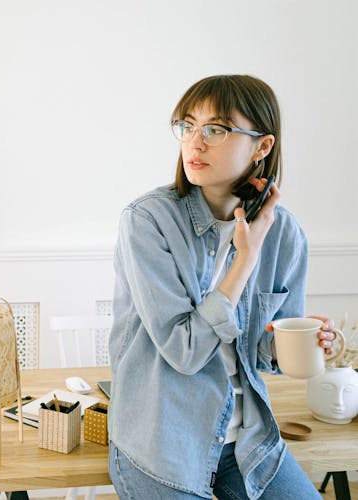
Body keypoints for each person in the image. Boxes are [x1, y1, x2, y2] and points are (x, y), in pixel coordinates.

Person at [107, 74, 338, 500]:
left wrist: (303, 343)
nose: (195, 142)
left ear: (262, 147)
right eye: (187, 126)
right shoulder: (147, 221)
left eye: (216, 129)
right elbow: (185, 351)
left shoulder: (284, 233)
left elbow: (265, 355)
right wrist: (244, 260)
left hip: (246, 437)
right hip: (163, 440)